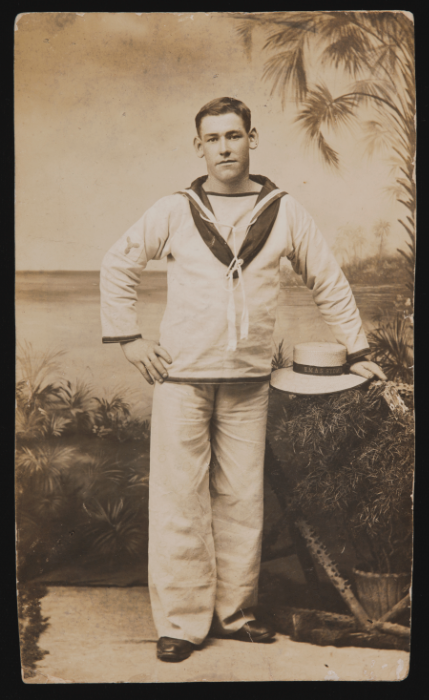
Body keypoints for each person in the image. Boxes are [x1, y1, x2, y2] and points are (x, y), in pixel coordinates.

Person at [100, 96, 386, 662]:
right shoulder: (176, 209)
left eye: (234, 135)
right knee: (181, 501)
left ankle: (235, 614)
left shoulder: (285, 210)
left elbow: (327, 279)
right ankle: (182, 624)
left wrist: (357, 351)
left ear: (252, 138)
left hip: (250, 381)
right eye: (213, 138)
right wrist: (130, 339)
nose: (225, 147)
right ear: (198, 146)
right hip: (181, 378)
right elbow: (119, 262)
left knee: (240, 500)